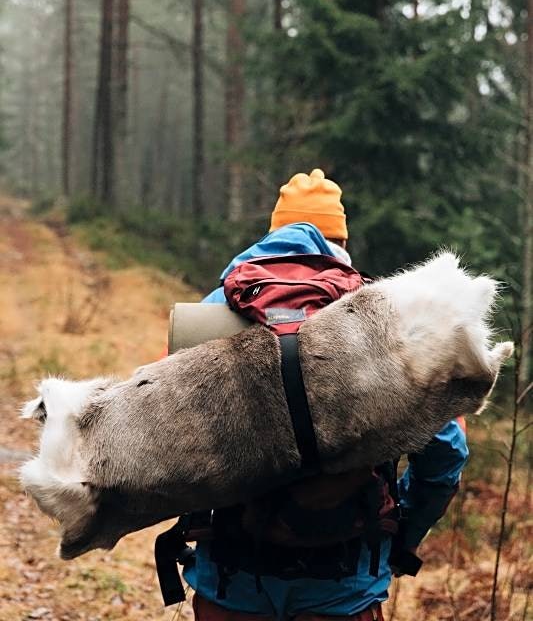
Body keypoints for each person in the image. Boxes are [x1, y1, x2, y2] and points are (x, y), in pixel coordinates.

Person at [182, 169, 468, 621]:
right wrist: (403, 537)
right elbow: (446, 451)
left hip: (230, 581)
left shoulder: (216, 309)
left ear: (273, 233)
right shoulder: (387, 319)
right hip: (343, 586)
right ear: (342, 244)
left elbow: (173, 437)